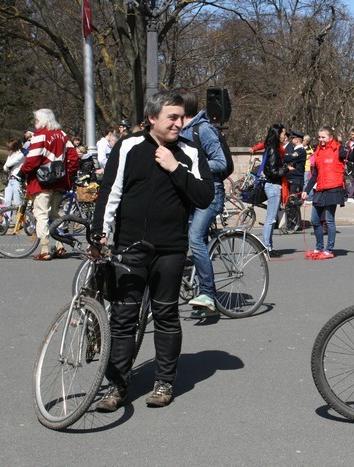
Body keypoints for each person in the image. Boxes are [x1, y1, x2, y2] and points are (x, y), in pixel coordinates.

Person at [90, 90, 213, 412]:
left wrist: (175, 168)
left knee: (166, 315)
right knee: (123, 319)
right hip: (129, 246)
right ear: (152, 119)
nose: (179, 122)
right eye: (172, 117)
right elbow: (110, 191)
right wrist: (99, 233)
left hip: (170, 248)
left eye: (182, 117)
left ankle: (164, 382)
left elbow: (204, 196)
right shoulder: (129, 146)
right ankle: (117, 386)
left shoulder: (190, 152)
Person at [179, 89, 227, 318]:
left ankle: (208, 292)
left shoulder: (204, 129)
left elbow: (221, 162)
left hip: (210, 194)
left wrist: (194, 164)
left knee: (195, 238)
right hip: (189, 192)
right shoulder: (178, 131)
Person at [19, 108, 80, 261]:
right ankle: (60, 245)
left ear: (42, 120)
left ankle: (45, 248)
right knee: (55, 214)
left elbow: (32, 159)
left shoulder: (40, 136)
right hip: (59, 182)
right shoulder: (62, 135)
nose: (35, 123)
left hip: (42, 182)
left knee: (41, 214)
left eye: (36, 120)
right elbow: (73, 157)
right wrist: (69, 173)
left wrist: (22, 171)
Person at [301, 125, 346, 260]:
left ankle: (329, 249)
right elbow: (315, 174)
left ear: (330, 137)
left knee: (329, 220)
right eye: (319, 137)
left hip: (333, 189)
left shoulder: (339, 149)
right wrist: (306, 190)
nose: (320, 139)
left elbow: (351, 156)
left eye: (323, 137)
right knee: (315, 220)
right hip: (320, 189)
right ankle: (319, 247)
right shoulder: (318, 150)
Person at [260, 124, 288, 258]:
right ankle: (266, 247)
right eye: (283, 133)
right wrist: (286, 170)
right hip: (273, 186)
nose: (285, 136)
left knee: (271, 219)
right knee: (270, 219)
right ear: (278, 135)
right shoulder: (272, 150)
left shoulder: (273, 149)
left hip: (273, 186)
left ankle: (269, 246)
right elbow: (272, 172)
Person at [283, 130, 307, 195]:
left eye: (293, 138)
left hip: (296, 180)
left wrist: (280, 155)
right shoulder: (295, 150)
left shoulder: (300, 151)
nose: (291, 140)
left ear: (296, 140)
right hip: (291, 178)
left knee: (293, 202)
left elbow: (289, 158)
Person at [3, 139, 25, 207]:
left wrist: (6, 166)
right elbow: (5, 167)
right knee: (7, 201)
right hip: (10, 179)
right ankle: (7, 217)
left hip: (17, 179)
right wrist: (6, 166)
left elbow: (9, 164)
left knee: (17, 202)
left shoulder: (20, 155)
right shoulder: (11, 155)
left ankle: (19, 217)